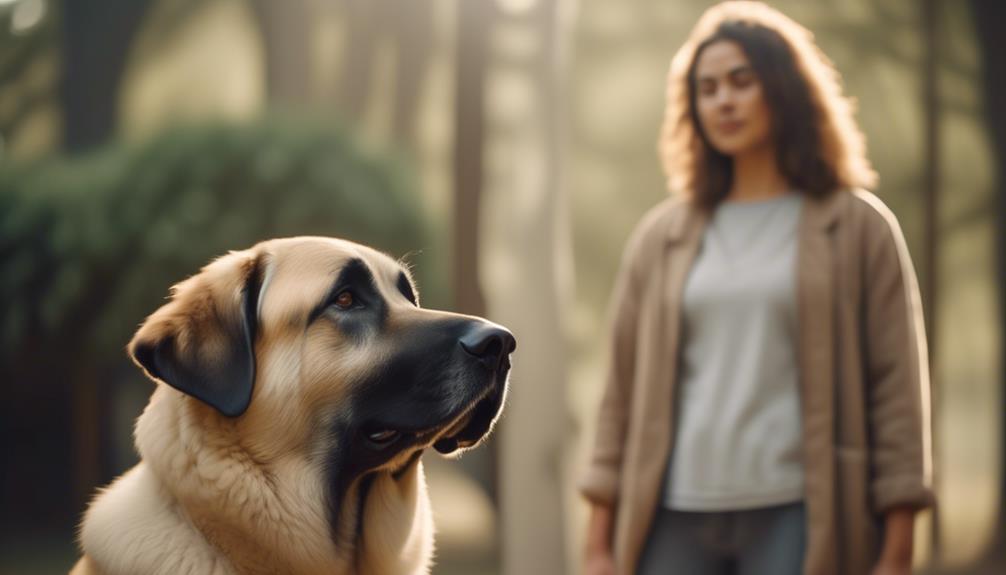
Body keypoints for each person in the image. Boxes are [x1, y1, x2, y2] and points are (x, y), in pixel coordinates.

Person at [579, 2, 935, 574]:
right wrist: (598, 544)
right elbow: (618, 391)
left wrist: (897, 548)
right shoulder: (660, 237)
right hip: (672, 514)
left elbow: (898, 390)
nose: (724, 100)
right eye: (708, 87)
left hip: (800, 512)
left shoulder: (858, 227)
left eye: (742, 81)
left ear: (785, 90)